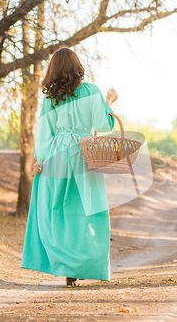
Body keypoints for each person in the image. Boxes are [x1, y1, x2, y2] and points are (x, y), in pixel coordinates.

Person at [21, 48, 118, 286]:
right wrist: (109, 102)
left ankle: (66, 263)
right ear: (77, 67)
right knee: (87, 211)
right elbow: (103, 125)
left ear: (54, 69)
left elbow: (45, 131)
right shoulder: (92, 92)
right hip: (85, 155)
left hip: (57, 155)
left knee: (54, 210)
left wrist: (39, 160)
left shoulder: (51, 98)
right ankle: (83, 262)